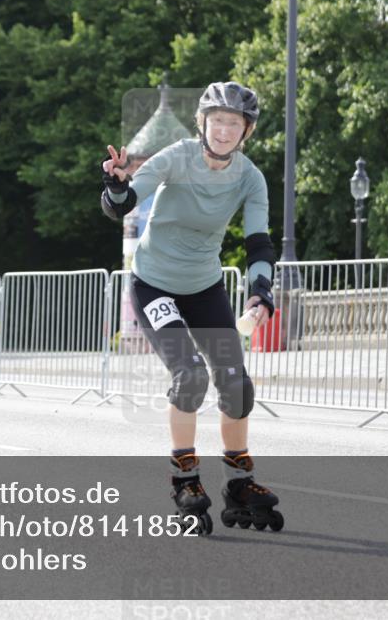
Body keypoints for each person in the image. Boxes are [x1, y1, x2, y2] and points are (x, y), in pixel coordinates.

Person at [100, 81, 283, 533]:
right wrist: (117, 187)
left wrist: (261, 293)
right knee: (191, 375)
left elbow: (259, 243)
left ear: (246, 131)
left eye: (233, 123)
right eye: (216, 121)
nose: (223, 130)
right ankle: (185, 477)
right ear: (202, 123)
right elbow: (128, 198)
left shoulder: (250, 178)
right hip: (154, 285)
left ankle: (240, 483)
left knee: (237, 382)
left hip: (203, 287)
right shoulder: (176, 157)